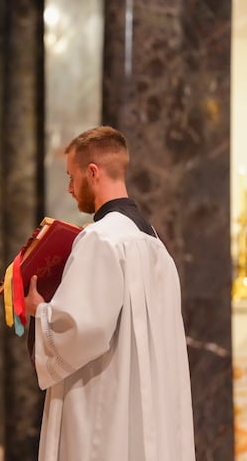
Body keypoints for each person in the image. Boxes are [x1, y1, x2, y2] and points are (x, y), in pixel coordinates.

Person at [24, 126, 195, 461]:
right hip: (149, 406)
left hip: (105, 405)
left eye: (72, 177)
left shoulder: (99, 239)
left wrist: (39, 310)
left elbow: (82, 330)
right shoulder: (155, 243)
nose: (70, 188)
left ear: (93, 172)